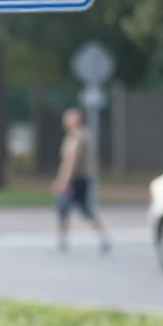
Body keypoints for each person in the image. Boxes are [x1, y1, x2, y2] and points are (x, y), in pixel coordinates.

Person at [51, 107, 110, 253]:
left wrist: (62, 182)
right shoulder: (86, 135)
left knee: (64, 209)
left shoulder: (76, 137)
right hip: (83, 179)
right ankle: (103, 237)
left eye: (67, 119)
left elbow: (70, 162)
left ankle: (63, 240)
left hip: (74, 180)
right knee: (85, 210)